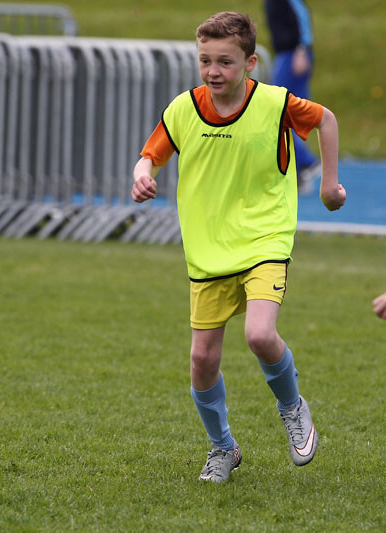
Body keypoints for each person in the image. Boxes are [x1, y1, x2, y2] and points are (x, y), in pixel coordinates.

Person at [131, 11, 346, 482]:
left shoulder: (275, 103)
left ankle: (292, 407)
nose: (213, 71)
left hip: (265, 239)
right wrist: (142, 175)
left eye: (224, 62)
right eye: (205, 60)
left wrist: (329, 185)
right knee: (202, 360)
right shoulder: (183, 109)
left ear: (250, 63)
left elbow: (326, 120)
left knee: (260, 335)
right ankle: (223, 447)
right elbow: (150, 155)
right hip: (209, 252)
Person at [264, 0, 320, 190]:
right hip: (286, 54)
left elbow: (302, 19)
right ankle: (297, 167)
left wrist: (302, 50)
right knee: (290, 113)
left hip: (292, 56)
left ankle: (305, 162)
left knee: (276, 110)